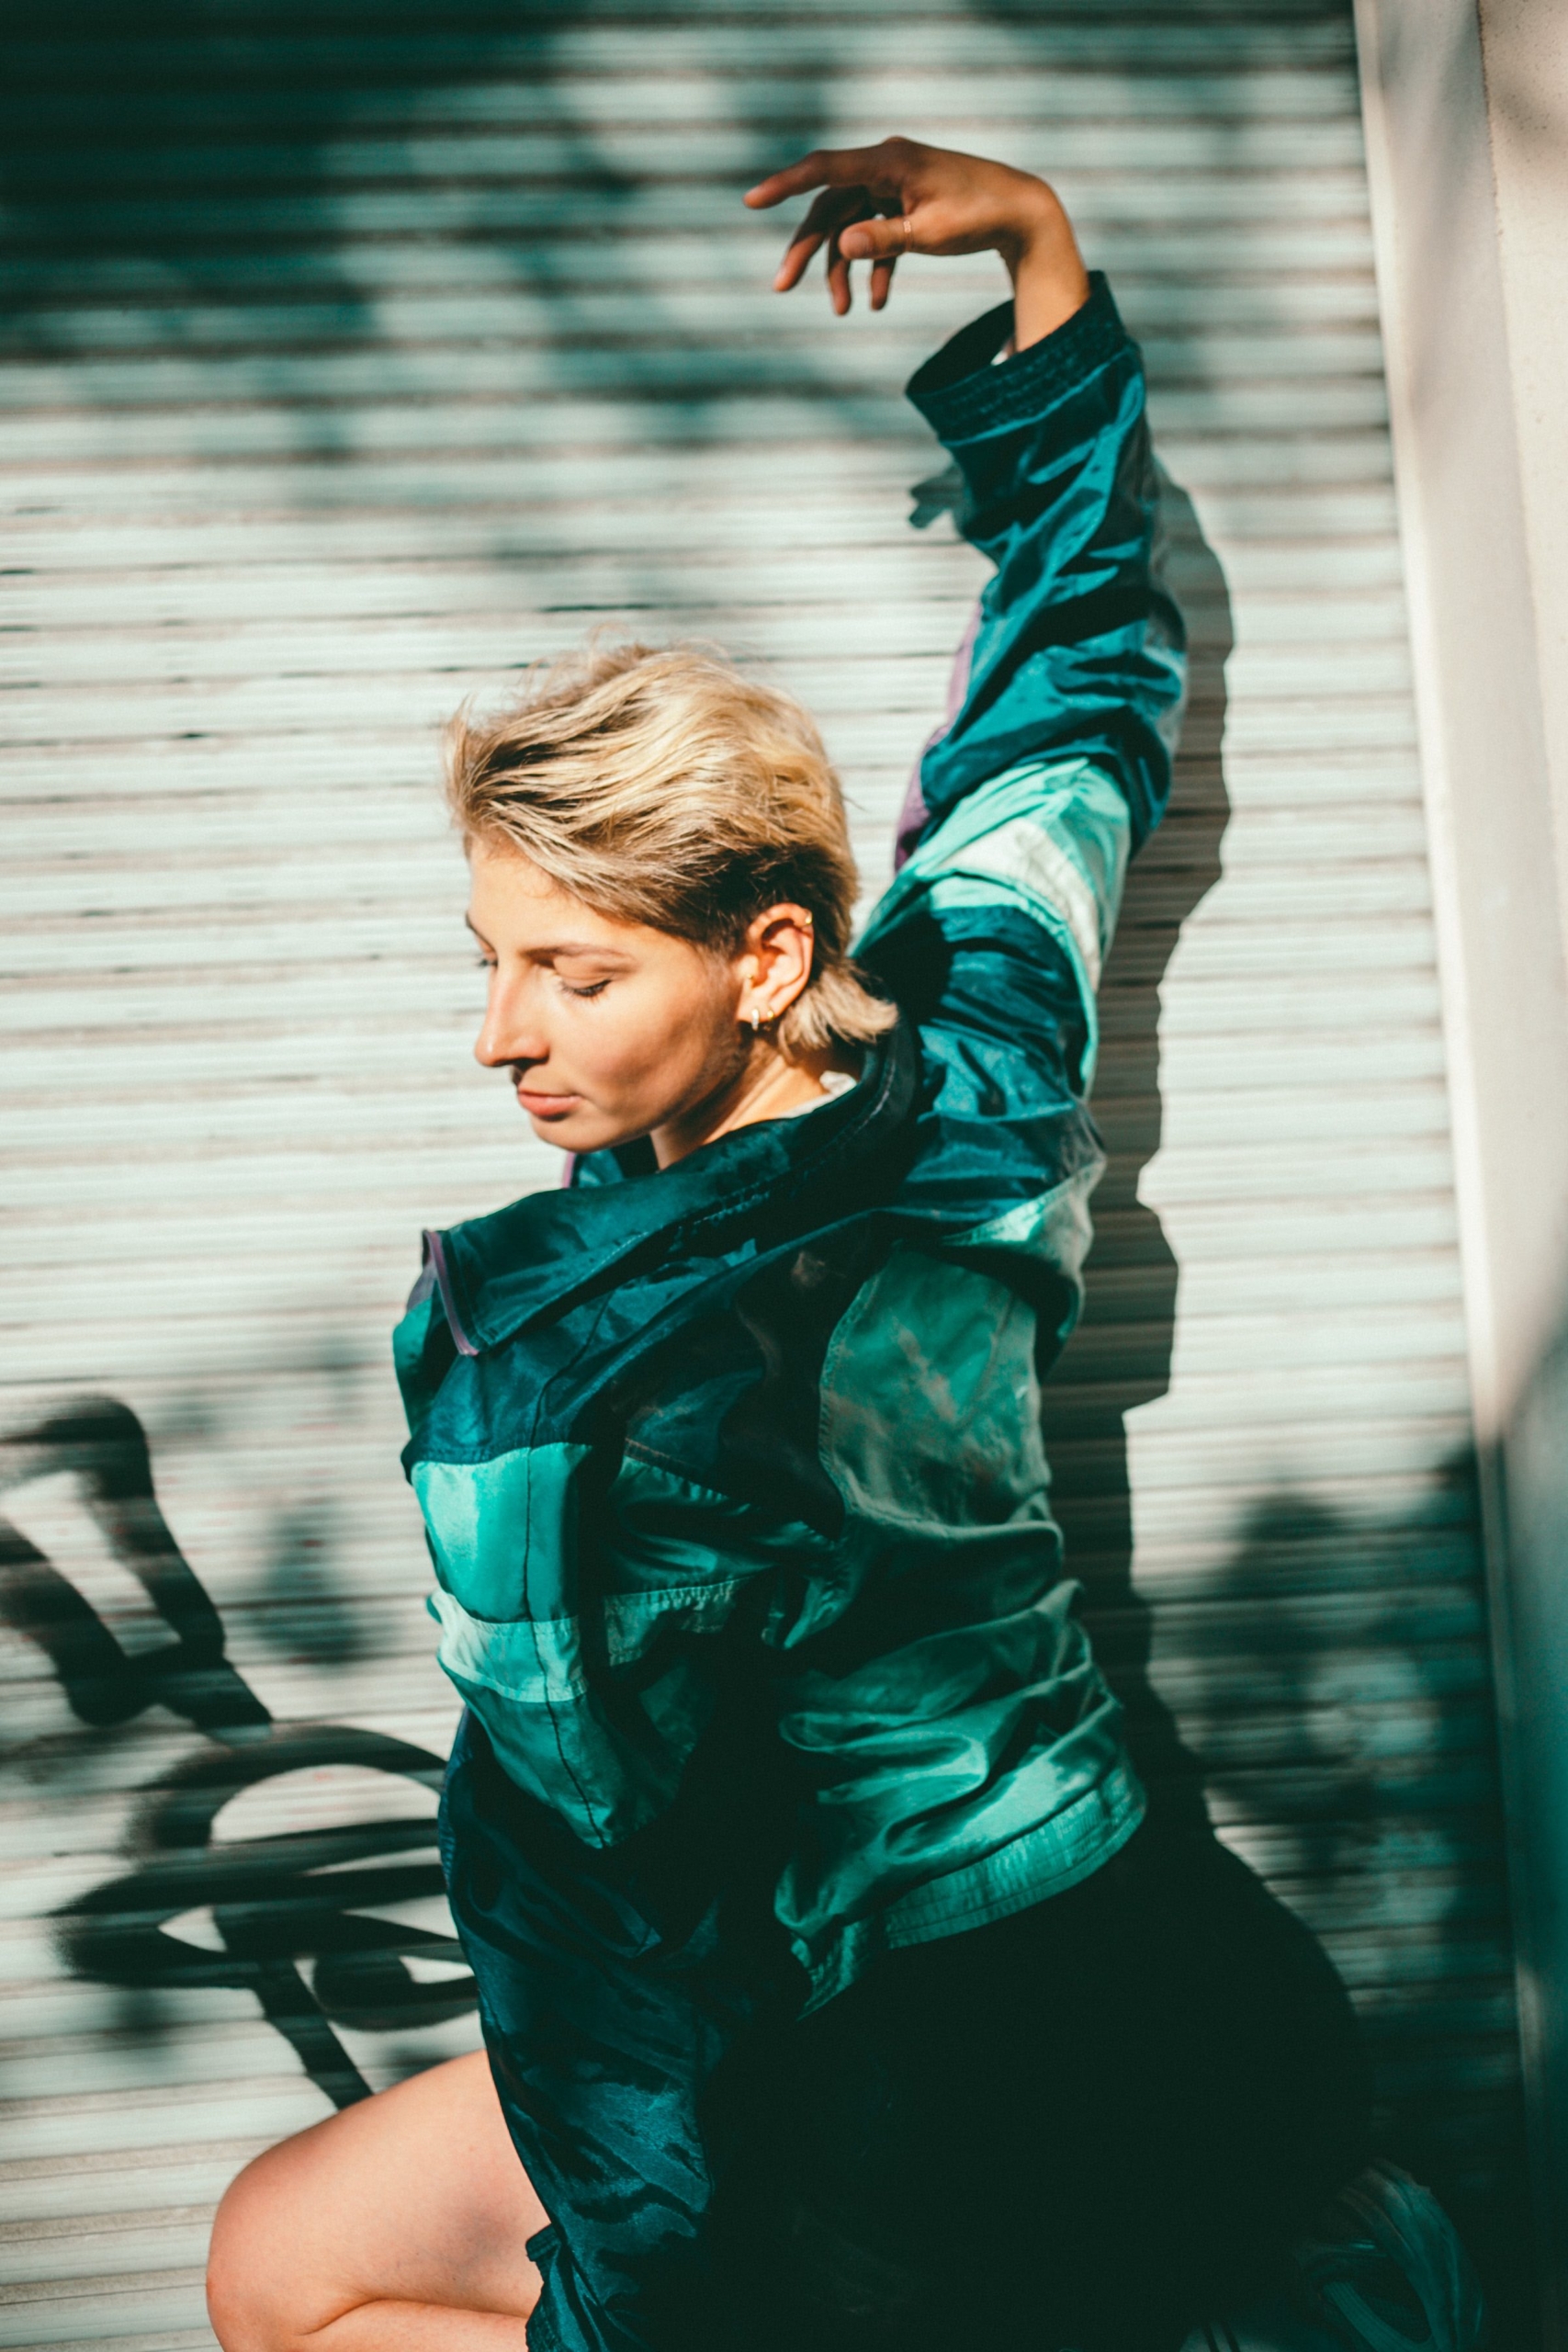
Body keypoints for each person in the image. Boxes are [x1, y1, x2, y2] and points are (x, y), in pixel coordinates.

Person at [206, 139, 1370, 2352]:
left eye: (570, 972)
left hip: (909, 2100)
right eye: (491, 960)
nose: (498, 1036)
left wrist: (641, 2308)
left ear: (758, 953)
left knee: (281, 2277)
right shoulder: (975, 1045)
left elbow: (592, 1939)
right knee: (291, 2238)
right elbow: (1067, 690)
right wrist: (1035, 250)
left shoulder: (564, 1376)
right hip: (1178, 1973)